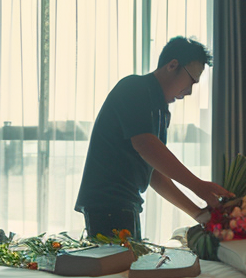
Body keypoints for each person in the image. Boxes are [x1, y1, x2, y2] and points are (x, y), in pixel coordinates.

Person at [75, 36, 233, 242]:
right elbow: (146, 146)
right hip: (108, 203)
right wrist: (199, 186)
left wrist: (198, 214)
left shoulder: (161, 111)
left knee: (125, 270)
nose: (190, 92)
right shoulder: (135, 88)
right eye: (191, 81)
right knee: (119, 271)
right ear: (172, 65)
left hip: (124, 204)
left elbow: (155, 172)